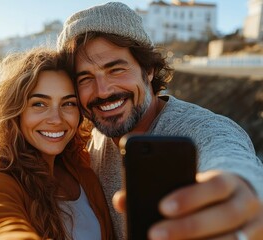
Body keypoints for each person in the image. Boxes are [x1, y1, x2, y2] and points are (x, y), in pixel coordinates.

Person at [57, 2, 263, 239]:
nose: (102, 91)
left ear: (149, 70)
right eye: (85, 78)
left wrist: (244, 190)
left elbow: (227, 153)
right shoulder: (91, 140)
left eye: (116, 70)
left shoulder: (196, 128)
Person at [0, 47, 115, 240]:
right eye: (39, 104)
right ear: (15, 111)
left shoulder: (81, 167)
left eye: (68, 103)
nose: (56, 119)